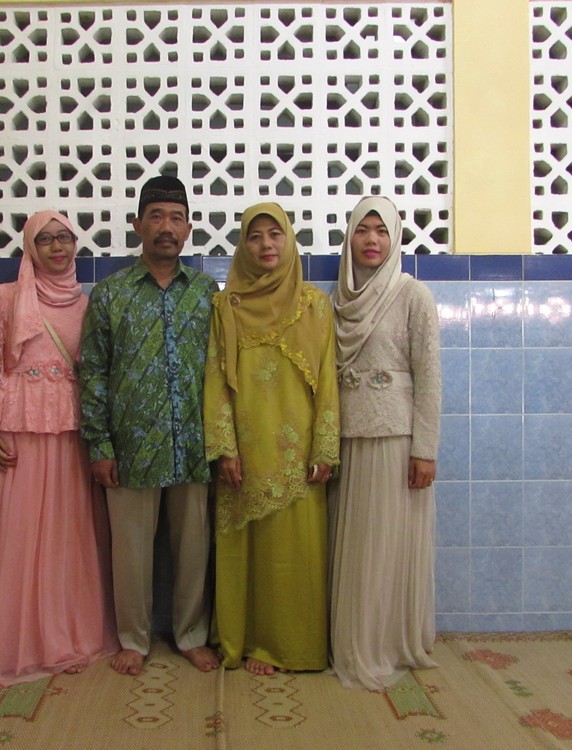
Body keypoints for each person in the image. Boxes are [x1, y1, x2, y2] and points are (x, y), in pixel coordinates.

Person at [0, 210, 118, 686]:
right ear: (29, 248)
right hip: (16, 437)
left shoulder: (86, 305)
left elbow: (95, 375)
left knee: (69, 541)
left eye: (64, 238)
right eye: (45, 240)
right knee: (20, 542)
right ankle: (20, 643)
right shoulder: (6, 298)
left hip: (69, 437)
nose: (56, 248)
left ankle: (68, 637)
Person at [79, 174, 221, 676]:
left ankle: (191, 635)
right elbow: (92, 372)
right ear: (137, 225)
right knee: (132, 553)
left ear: (188, 229)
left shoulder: (206, 293)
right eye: (156, 216)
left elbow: (222, 369)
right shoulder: (110, 294)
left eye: (176, 218)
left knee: (194, 551)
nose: (166, 227)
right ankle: (133, 640)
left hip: (194, 445)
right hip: (130, 446)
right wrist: (99, 445)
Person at [203, 202, 340, 675]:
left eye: (274, 234)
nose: (266, 244)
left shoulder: (315, 305)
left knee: (294, 554)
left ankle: (290, 646)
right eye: (255, 235)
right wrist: (224, 447)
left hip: (297, 453)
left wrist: (325, 446)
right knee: (248, 553)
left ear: (289, 240)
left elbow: (328, 381)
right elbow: (215, 379)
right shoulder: (226, 307)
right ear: (243, 245)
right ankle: (245, 641)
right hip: (244, 450)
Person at [329, 195, 442, 690]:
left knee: (385, 547)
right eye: (362, 229)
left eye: (381, 230)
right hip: (347, 438)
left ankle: (385, 644)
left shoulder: (413, 294)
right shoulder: (338, 299)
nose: (372, 240)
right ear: (349, 237)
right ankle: (354, 639)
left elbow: (430, 377)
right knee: (355, 547)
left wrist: (425, 449)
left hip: (396, 442)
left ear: (395, 238)